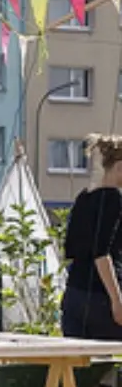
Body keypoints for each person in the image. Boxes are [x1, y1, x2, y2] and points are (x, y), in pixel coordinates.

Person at [61, 134, 122, 340]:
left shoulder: (83, 199)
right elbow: (101, 253)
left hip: (74, 295)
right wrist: (117, 299)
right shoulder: (115, 199)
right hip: (101, 298)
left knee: (81, 367)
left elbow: (71, 248)